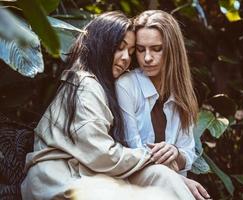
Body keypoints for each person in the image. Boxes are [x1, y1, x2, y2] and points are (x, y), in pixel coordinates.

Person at [21, 11, 194, 200]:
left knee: (163, 177)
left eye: (129, 51)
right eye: (120, 48)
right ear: (101, 46)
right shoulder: (85, 85)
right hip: (60, 178)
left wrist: (172, 164)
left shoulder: (100, 86)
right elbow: (100, 153)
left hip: (87, 173)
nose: (126, 58)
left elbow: (186, 151)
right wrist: (151, 156)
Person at [115, 10, 211, 200]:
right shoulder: (126, 86)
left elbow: (188, 154)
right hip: (134, 184)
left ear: (172, 50)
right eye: (141, 49)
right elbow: (133, 150)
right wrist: (181, 181)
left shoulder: (183, 92)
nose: (147, 58)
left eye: (156, 49)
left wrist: (175, 152)